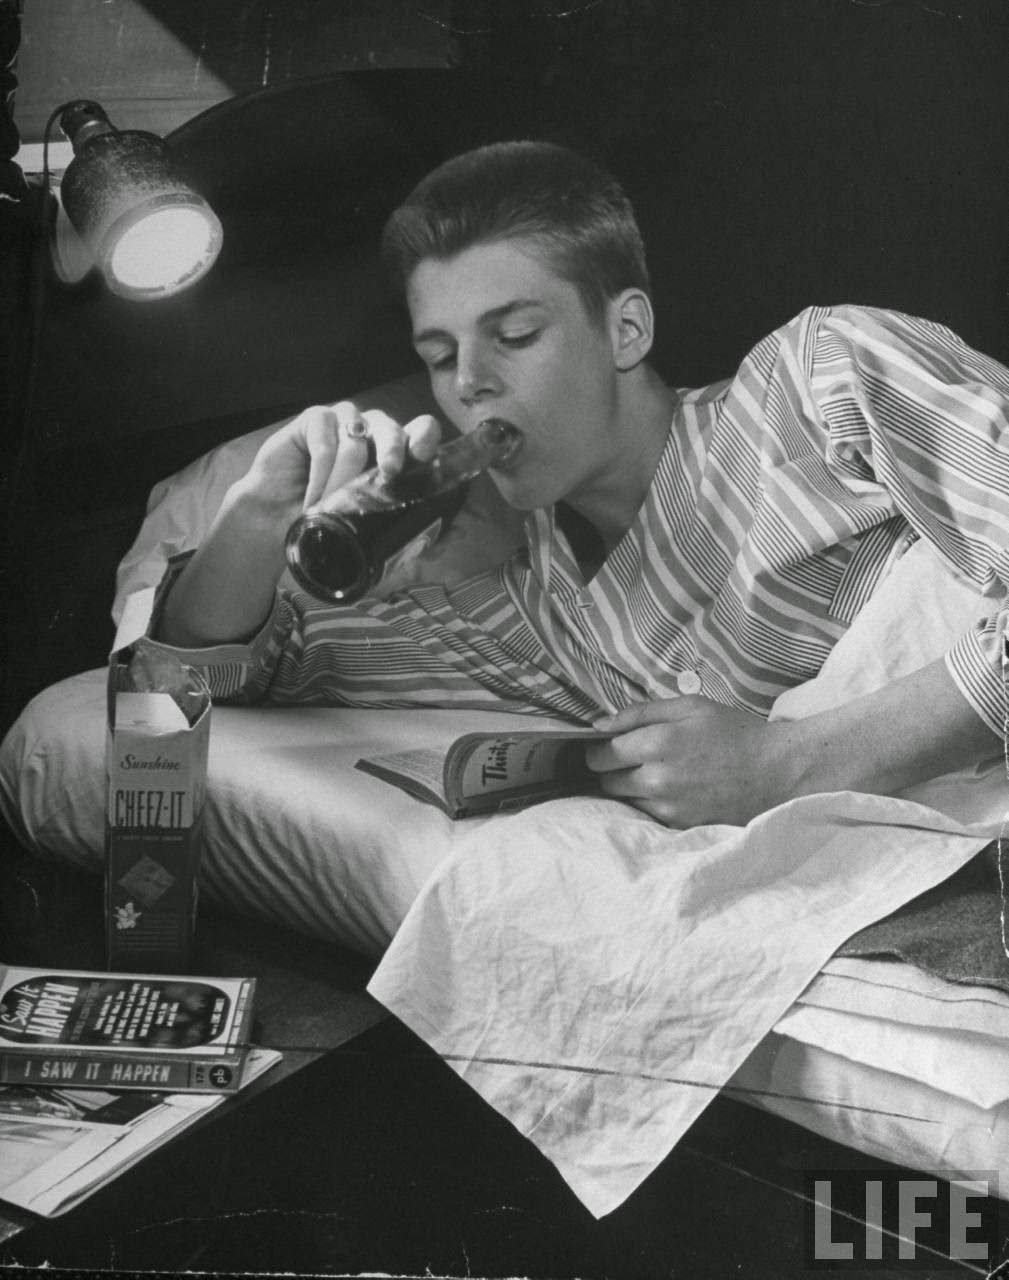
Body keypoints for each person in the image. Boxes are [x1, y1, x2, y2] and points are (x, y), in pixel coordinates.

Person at [150, 140, 1008, 829]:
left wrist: (786, 765)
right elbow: (193, 691)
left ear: (625, 329)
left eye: (515, 336)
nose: (469, 383)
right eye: (440, 357)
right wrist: (254, 515)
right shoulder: (531, 613)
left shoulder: (820, 380)